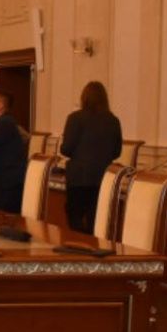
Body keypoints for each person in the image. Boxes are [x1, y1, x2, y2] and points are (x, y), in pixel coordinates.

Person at [61, 81, 123, 234]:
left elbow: (66, 149)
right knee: (95, 220)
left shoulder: (75, 118)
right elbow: (117, 152)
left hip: (78, 178)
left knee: (75, 218)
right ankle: (93, 251)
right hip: (103, 178)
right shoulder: (113, 120)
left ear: (84, 97)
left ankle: (78, 250)